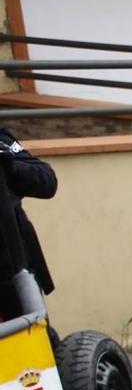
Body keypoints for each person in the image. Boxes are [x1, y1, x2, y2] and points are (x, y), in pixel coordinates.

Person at [0, 125, 58, 317]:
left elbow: (47, 181)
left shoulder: (1, 138)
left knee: (37, 337)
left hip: (15, 266)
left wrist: (11, 168)